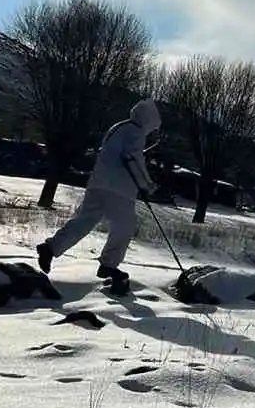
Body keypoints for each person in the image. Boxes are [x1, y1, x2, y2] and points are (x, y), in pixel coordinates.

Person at [36, 98, 161, 294]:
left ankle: (50, 248)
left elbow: (116, 154)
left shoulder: (118, 127)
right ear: (148, 120)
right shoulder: (135, 131)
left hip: (98, 183)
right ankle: (109, 265)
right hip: (118, 188)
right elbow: (132, 159)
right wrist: (147, 184)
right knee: (124, 226)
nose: (150, 132)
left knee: (84, 221)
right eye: (152, 128)